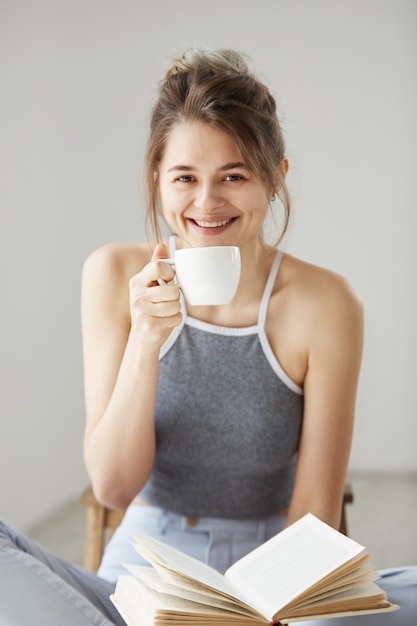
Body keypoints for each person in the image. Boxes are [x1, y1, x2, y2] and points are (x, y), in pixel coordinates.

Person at [0, 48, 415, 626]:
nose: (207, 202)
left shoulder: (327, 304)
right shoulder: (112, 275)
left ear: (275, 178)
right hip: (151, 562)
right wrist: (146, 338)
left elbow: (315, 510)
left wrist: (268, 605)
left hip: (273, 562)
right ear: (157, 180)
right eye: (185, 178)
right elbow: (115, 489)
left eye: (234, 176)